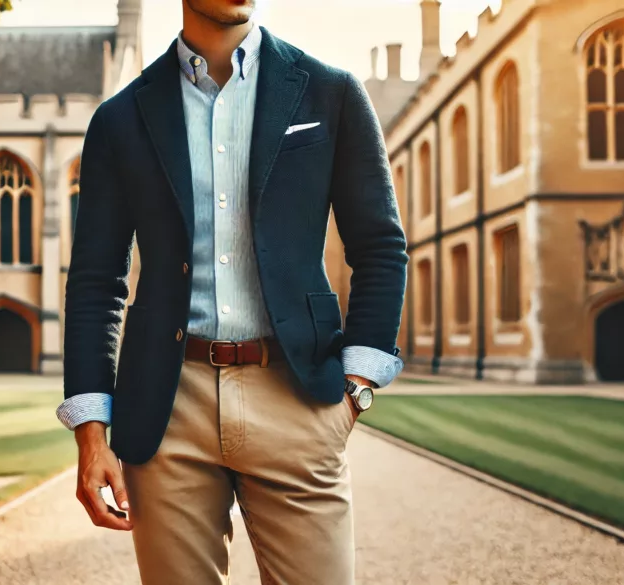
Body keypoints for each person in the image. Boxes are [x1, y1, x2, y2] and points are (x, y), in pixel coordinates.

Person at [57, 1, 408, 582]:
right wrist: (91, 434)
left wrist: (357, 391)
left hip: (297, 397)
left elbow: (379, 245)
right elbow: (97, 280)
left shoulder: (331, 93)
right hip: (168, 409)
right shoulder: (120, 120)